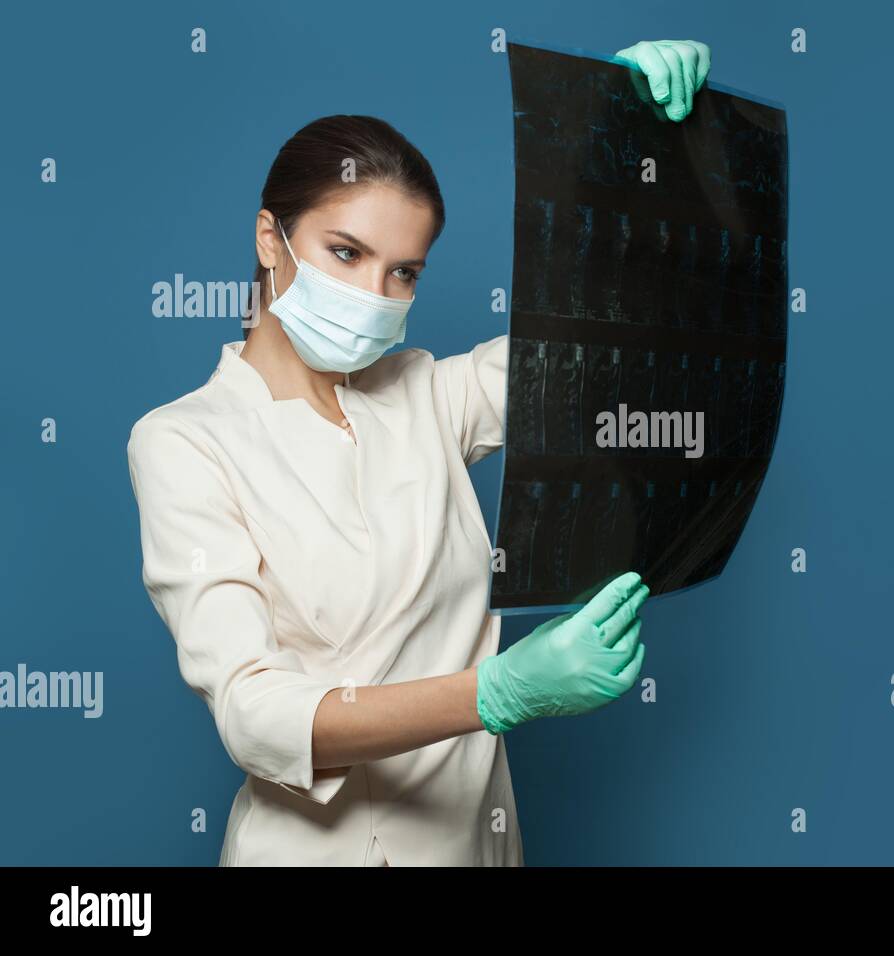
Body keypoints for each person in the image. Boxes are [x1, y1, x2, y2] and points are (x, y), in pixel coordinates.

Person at [124, 40, 712, 866]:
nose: (373, 295)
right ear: (270, 238)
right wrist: (495, 694)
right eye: (345, 252)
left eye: (404, 272)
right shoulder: (186, 442)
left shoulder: (426, 394)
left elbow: (600, 346)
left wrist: (626, 141)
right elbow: (257, 717)